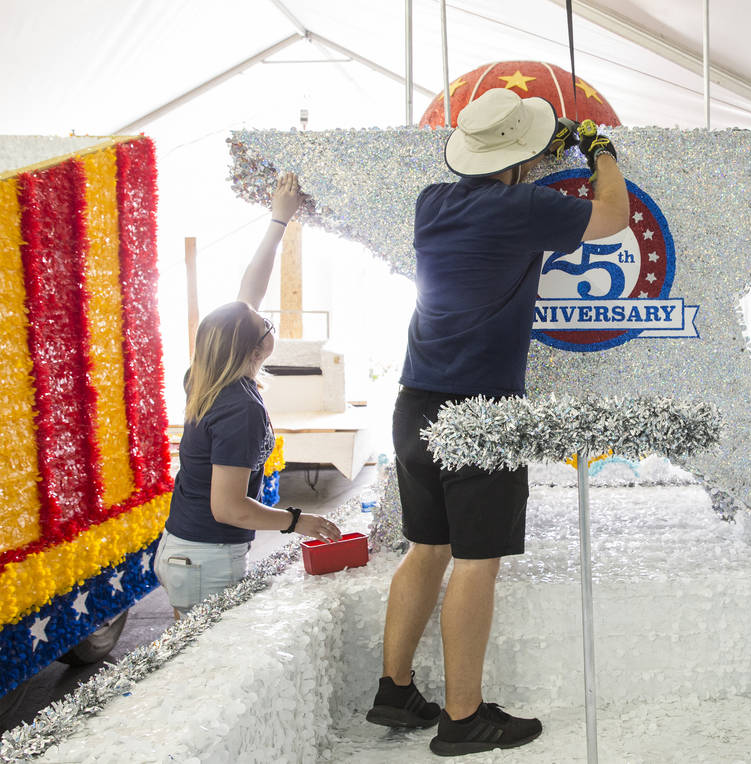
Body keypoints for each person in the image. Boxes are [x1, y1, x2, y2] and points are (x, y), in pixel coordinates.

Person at [366, 88, 629, 757]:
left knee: (427, 549)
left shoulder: (433, 201)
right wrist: (599, 149)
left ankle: (394, 693)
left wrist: (531, 156)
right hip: (481, 412)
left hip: (415, 402)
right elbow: (613, 216)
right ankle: (463, 719)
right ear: (521, 157)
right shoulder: (525, 207)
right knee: (477, 563)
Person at [155, 173, 341, 619]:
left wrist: (278, 221)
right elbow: (229, 508)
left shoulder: (204, 373)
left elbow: (248, 295)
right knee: (208, 675)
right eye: (267, 327)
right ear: (257, 349)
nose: (267, 322)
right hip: (205, 558)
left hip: (187, 548)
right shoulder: (240, 409)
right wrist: (302, 522)